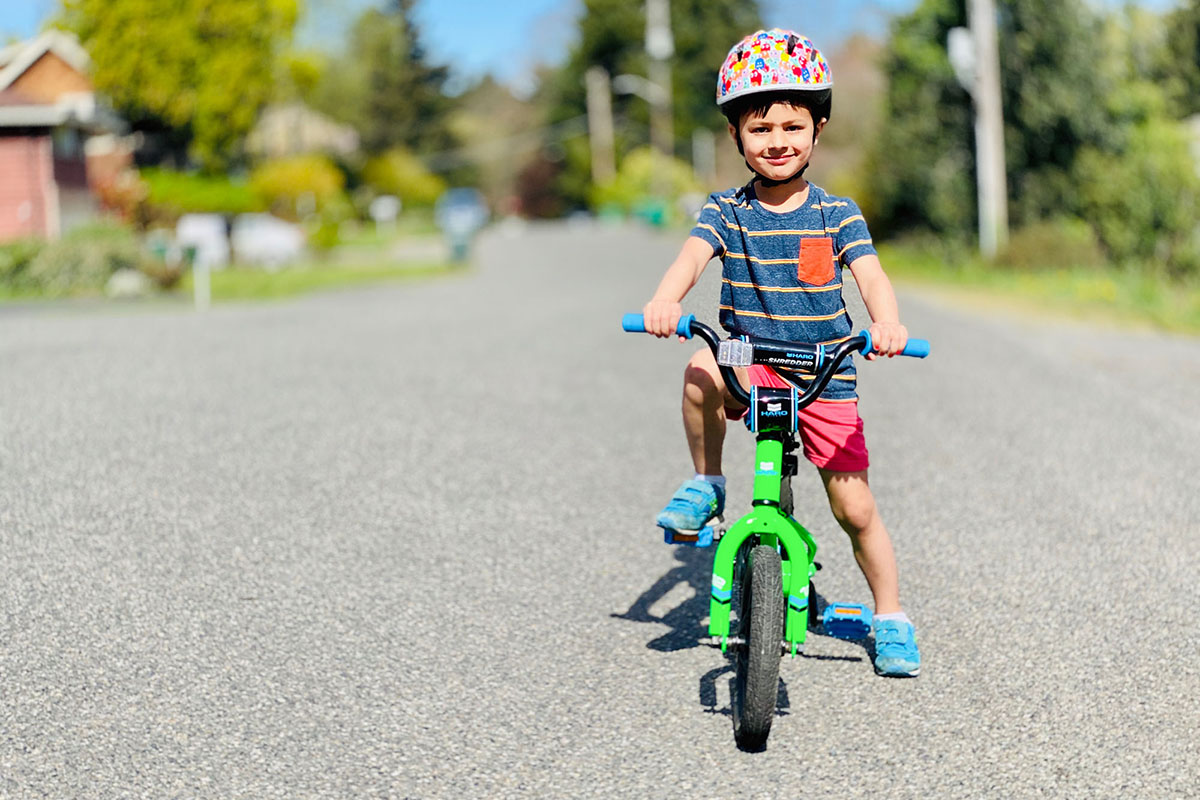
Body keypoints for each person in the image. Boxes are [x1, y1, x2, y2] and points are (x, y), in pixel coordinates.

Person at [639, 29, 920, 678]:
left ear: (817, 129)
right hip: (749, 349)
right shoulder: (726, 211)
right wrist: (663, 301)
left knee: (855, 509)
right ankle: (707, 485)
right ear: (736, 137)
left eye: (792, 126)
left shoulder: (837, 213)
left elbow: (871, 276)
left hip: (825, 363)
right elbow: (690, 259)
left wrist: (888, 322)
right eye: (760, 128)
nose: (777, 141)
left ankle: (893, 614)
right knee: (701, 362)